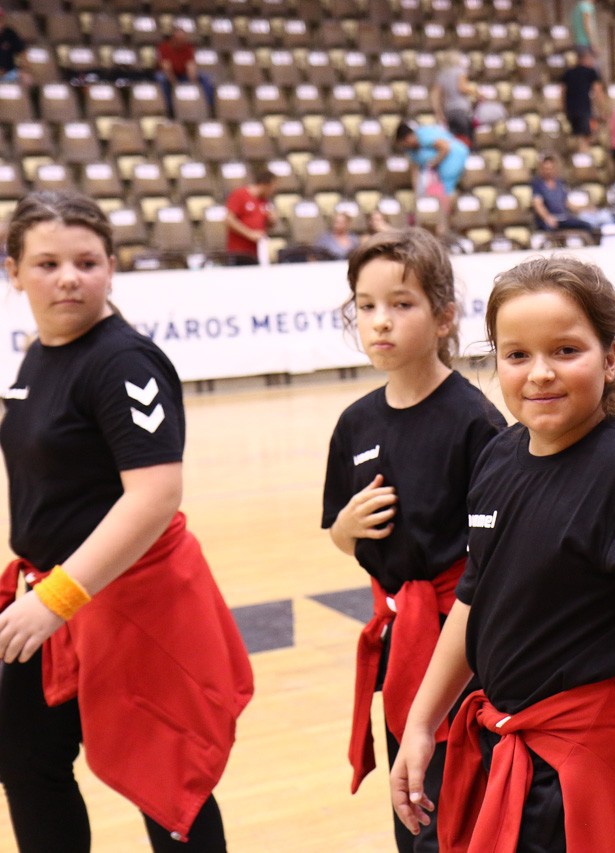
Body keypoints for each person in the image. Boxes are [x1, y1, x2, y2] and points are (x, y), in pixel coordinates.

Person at [389, 256, 615, 851]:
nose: (540, 373)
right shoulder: (497, 458)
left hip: (605, 767)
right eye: (516, 355)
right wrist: (423, 721)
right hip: (515, 752)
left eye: (566, 351)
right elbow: (475, 597)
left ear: (609, 358)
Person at [0, 191, 253, 851]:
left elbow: (155, 493)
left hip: (129, 601)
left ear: (111, 268)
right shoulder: (42, 350)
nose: (69, 278)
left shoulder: (122, 362)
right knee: (25, 757)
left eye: (86, 262)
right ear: (14, 272)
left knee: (167, 786)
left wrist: (56, 599)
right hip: (53, 596)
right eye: (48, 263)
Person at [323, 229, 505, 853]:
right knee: (413, 804)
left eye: (401, 304)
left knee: (464, 803)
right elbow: (340, 534)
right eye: (366, 305)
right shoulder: (355, 424)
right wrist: (344, 530)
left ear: (444, 317)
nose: (381, 321)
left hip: (466, 640)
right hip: (402, 638)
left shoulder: (475, 422)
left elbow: (497, 551)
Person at [395, 121, 469, 237]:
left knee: (446, 193)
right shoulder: (411, 151)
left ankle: (446, 224)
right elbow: (415, 171)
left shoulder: (423, 135)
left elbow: (445, 148)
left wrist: (432, 163)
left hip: (452, 158)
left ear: (408, 137)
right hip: (436, 172)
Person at [530, 154, 608, 234]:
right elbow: (538, 204)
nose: (548, 171)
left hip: (563, 218)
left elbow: (567, 204)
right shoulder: (537, 184)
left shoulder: (560, 183)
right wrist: (547, 217)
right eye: (546, 169)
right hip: (548, 220)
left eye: (550, 168)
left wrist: (585, 208)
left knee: (586, 225)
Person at [155, 28, 216, 119]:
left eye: (183, 39)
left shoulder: (188, 48)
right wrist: (175, 85)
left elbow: (191, 66)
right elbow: (166, 68)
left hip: (183, 74)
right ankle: (169, 109)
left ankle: (207, 105)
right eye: (179, 39)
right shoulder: (164, 47)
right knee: (161, 78)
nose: (181, 41)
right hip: (169, 75)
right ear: (173, 39)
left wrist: (192, 83)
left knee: (205, 78)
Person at [225, 166, 276, 261]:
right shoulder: (240, 195)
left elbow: (265, 225)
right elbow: (229, 220)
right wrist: (250, 234)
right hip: (239, 252)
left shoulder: (265, 202)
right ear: (265, 185)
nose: (273, 191)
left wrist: (271, 221)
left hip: (258, 252)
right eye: (272, 187)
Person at [562, 49, 604, 154]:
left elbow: (562, 92)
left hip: (571, 110)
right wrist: (602, 109)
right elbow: (597, 91)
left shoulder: (569, 73)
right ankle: (582, 158)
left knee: (576, 136)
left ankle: (577, 157)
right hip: (584, 110)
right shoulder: (591, 72)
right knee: (585, 137)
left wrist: (564, 109)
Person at [431, 52, 474, 145]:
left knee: (454, 140)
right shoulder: (460, 72)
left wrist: (439, 113)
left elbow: (435, 96)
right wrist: (475, 92)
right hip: (461, 110)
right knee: (465, 140)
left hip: (449, 111)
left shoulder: (441, 75)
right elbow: (462, 88)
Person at [0, 8, 26, 84]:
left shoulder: (10, 33)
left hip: (9, 74)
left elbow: (22, 53)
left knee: (26, 77)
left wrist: (23, 70)